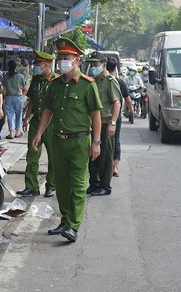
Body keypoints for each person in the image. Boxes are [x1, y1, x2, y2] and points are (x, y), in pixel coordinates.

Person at [31, 37, 102, 243]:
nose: (62, 60)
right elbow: (47, 111)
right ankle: (65, 219)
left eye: (67, 57)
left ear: (77, 60)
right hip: (58, 141)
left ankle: (73, 225)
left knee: (78, 183)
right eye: (60, 57)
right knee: (61, 184)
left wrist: (96, 142)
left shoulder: (88, 86)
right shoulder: (55, 85)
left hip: (80, 141)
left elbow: (96, 114)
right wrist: (38, 133)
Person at [20, 50, 58, 197]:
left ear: (47, 65)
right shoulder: (35, 80)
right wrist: (26, 119)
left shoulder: (56, 81)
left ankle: (51, 185)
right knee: (32, 154)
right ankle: (31, 186)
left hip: (51, 123)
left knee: (53, 156)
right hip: (36, 121)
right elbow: (31, 101)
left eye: (38, 64)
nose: (36, 66)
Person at [85, 52, 121, 196]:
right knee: (93, 155)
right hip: (93, 123)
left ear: (104, 65)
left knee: (105, 155)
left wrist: (113, 123)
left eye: (95, 65)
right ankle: (94, 183)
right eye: (91, 65)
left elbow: (116, 103)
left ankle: (105, 186)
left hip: (106, 123)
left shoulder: (110, 81)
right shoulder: (93, 81)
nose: (93, 68)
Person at [107, 58, 132, 176]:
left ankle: (108, 166)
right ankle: (115, 167)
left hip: (105, 117)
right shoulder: (119, 82)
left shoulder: (103, 81)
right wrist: (131, 109)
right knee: (116, 141)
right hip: (116, 118)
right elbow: (127, 99)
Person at [2, 60, 27, 139]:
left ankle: (11, 133)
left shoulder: (5, 77)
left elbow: (3, 88)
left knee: (10, 115)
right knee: (19, 115)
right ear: (16, 67)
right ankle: (17, 132)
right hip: (18, 97)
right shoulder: (20, 76)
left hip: (8, 97)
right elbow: (24, 88)